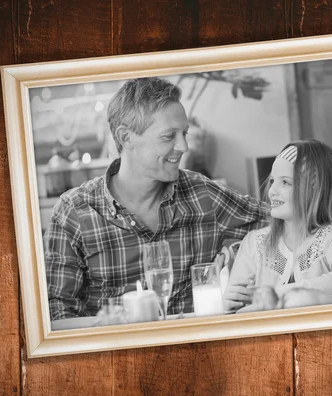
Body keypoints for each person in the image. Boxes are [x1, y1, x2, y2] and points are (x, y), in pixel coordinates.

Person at [44, 77, 267, 321]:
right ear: (126, 137)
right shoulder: (73, 213)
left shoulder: (203, 195)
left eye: (184, 133)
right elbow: (58, 316)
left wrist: (238, 260)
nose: (184, 146)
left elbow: (285, 222)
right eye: (169, 136)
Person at [223, 140, 332, 313]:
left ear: (315, 190)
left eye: (286, 182)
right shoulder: (254, 243)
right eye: (272, 181)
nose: (272, 191)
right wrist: (229, 300)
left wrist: (277, 294)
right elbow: (233, 309)